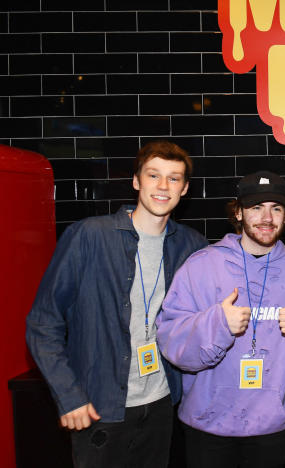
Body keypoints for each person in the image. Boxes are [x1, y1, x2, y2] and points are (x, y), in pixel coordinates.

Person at [26, 141, 209, 467]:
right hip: (100, 405)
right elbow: (44, 323)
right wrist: (69, 397)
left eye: (174, 178)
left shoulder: (191, 245)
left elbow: (235, 265)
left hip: (161, 402)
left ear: (185, 189)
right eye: (154, 175)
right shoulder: (89, 236)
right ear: (136, 181)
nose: (163, 186)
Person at [155, 171, 285, 468]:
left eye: (276, 208)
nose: (267, 217)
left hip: (272, 425)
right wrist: (217, 324)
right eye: (256, 207)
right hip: (208, 424)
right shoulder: (200, 266)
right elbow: (171, 341)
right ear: (239, 212)